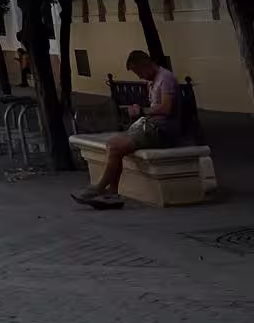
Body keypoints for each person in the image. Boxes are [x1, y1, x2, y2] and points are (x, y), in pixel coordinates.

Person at [73, 50, 181, 208]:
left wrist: (142, 111)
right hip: (151, 126)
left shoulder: (166, 78)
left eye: (138, 72)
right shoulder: (153, 80)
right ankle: (112, 194)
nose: (139, 77)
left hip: (162, 130)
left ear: (146, 64)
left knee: (116, 146)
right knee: (113, 144)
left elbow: (166, 108)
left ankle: (100, 188)